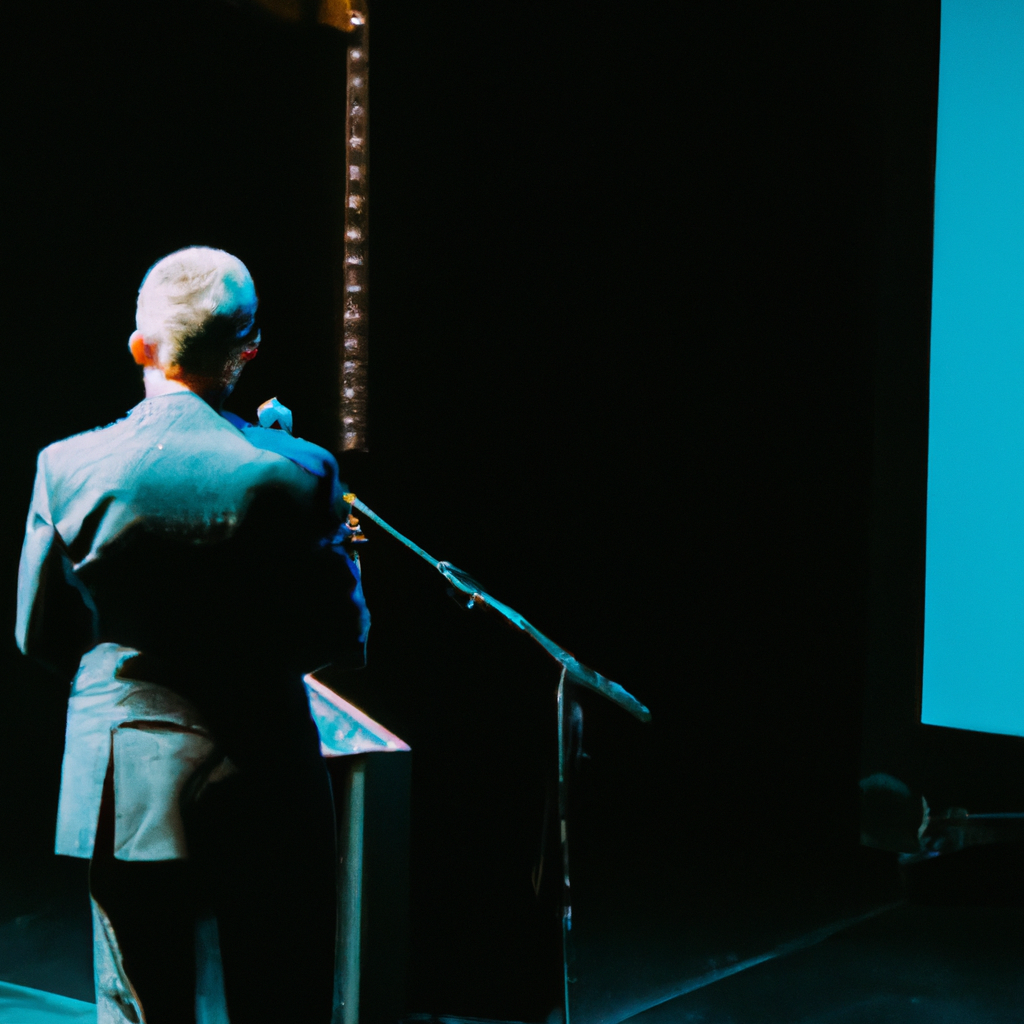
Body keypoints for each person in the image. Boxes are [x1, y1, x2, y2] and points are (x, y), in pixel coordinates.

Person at [16, 246, 369, 1023]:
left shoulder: (65, 466)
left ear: (142, 346)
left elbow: (36, 636)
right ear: (246, 353)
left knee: (141, 1004)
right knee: (280, 997)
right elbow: (341, 630)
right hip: (264, 767)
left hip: (123, 771)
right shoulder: (299, 470)